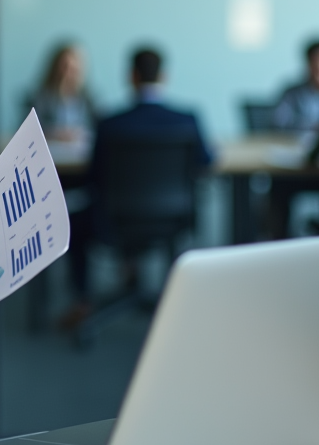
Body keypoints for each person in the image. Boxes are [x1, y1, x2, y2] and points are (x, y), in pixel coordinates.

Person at [62, 48, 211, 327]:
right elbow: (205, 162)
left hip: (113, 219)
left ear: (131, 76)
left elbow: (95, 176)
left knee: (73, 222)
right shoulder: (187, 119)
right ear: (164, 77)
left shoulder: (109, 123)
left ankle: (81, 301)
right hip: (173, 219)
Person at [273, 39, 319, 133]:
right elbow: (278, 122)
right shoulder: (292, 93)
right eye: (316, 66)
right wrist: (313, 126)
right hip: (296, 144)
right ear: (307, 65)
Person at [26, 43, 95, 143]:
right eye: (64, 67)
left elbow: (95, 128)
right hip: (49, 150)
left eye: (73, 68)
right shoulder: (40, 97)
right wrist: (56, 134)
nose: (68, 73)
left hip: (79, 155)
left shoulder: (88, 98)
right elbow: (29, 131)